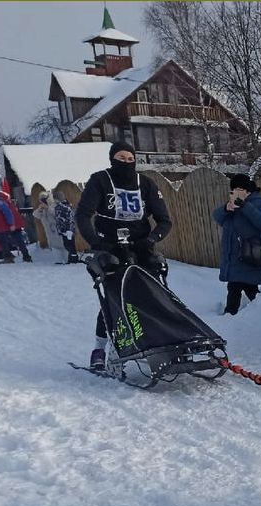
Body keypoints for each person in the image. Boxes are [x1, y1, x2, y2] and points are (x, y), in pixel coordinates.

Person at [76, 140, 173, 370]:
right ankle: (100, 349)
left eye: (131, 159)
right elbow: (83, 215)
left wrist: (151, 239)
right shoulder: (100, 180)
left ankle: (155, 341)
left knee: (150, 296)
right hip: (110, 249)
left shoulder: (145, 184)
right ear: (112, 159)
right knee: (113, 299)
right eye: (121, 158)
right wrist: (97, 244)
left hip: (141, 248)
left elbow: (165, 221)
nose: (126, 162)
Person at [213, 173, 261, 315]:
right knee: (234, 289)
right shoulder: (233, 204)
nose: (236, 192)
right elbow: (217, 217)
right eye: (233, 190)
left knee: (251, 290)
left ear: (248, 190)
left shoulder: (259, 204)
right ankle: (231, 316)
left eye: (239, 189)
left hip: (249, 256)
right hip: (234, 259)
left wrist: (245, 206)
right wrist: (226, 208)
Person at [0, 175, 33, 264]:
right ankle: (26, 257)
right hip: (9, 223)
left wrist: (11, 224)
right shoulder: (0, 197)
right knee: (18, 239)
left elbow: (7, 211)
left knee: (2, 239)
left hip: (7, 223)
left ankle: (8, 257)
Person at [52, 191, 79, 264]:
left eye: (55, 199)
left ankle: (73, 259)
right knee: (67, 244)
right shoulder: (58, 207)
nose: (54, 200)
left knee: (69, 245)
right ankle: (71, 258)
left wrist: (69, 230)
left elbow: (70, 219)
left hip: (67, 230)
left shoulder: (65, 207)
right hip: (63, 229)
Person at [33, 190, 60, 255]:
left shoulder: (54, 204)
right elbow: (36, 215)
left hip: (56, 228)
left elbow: (56, 214)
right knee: (52, 246)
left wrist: (48, 208)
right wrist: (39, 210)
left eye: (44, 198)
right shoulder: (42, 206)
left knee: (59, 244)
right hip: (48, 229)